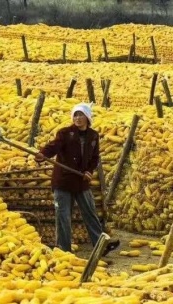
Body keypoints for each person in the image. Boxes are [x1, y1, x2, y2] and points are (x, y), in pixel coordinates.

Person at [34, 102, 119, 255]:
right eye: (75, 115)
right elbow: (54, 146)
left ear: (87, 117)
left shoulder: (93, 136)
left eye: (81, 115)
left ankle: (101, 246)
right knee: (63, 216)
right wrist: (43, 154)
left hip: (81, 181)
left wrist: (89, 171)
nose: (78, 118)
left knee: (90, 213)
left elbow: (94, 157)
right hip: (64, 181)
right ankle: (63, 249)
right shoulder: (65, 133)